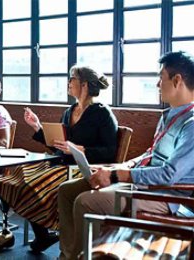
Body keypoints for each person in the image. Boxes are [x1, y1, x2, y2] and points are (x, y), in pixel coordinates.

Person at [58, 51, 194, 259]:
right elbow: (151, 154)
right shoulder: (168, 115)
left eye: (161, 78)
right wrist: (121, 167)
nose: (158, 85)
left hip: (165, 194)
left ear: (177, 80)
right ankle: (68, 254)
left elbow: (169, 175)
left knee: (85, 201)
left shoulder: (191, 124)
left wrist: (117, 176)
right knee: (67, 191)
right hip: (143, 182)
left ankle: (81, 256)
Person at [0, 65, 118, 256]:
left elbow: (110, 151)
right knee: (14, 176)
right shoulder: (70, 111)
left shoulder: (103, 114)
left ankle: (45, 233)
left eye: (72, 79)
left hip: (81, 168)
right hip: (60, 163)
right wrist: (37, 127)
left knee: (35, 183)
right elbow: (57, 146)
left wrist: (80, 149)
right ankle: (42, 234)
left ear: (84, 85)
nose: (68, 83)